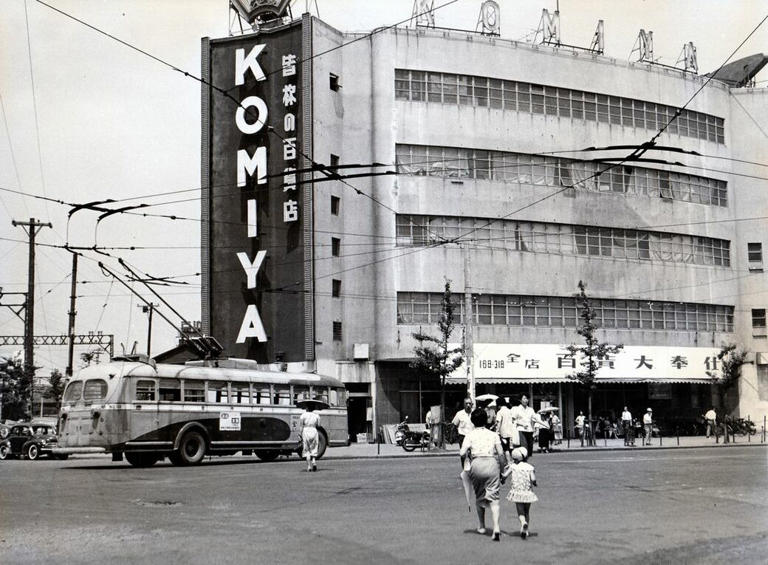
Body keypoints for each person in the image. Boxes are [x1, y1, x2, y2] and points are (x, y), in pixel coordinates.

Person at [459, 408, 506, 541]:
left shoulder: (470, 435)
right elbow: (501, 454)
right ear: (486, 420)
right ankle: (496, 527)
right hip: (491, 463)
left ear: (473, 421)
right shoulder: (493, 435)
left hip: (477, 463)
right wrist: (502, 471)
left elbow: (462, 453)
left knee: (479, 495)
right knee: (494, 498)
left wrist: (465, 465)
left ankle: (481, 525)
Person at [503, 447, 538, 540]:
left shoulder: (513, 467)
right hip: (527, 492)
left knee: (520, 512)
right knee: (527, 511)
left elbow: (505, 476)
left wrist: (502, 478)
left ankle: (523, 524)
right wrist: (534, 483)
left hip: (517, 492)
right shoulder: (530, 467)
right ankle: (525, 531)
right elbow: (533, 479)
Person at [452, 398, 475, 468]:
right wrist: (453, 436)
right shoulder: (459, 414)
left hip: (473, 436)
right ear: (464, 405)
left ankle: (472, 469)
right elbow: (454, 425)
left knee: (473, 453)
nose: (468, 405)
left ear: (472, 404)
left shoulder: (474, 413)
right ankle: (464, 469)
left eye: (469, 403)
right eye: (466, 403)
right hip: (463, 436)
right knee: (463, 454)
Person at [298, 402, 321, 472]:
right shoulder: (317, 416)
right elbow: (319, 425)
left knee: (306, 448)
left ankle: (308, 466)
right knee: (314, 447)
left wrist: (299, 434)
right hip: (314, 431)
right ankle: (314, 461)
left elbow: (301, 426)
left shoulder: (303, 415)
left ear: (307, 408)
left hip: (306, 431)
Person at [495, 397, 515, 463]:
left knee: (505, 449)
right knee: (510, 448)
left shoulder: (500, 412)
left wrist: (497, 431)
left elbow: (498, 423)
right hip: (511, 432)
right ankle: (511, 461)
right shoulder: (510, 411)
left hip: (503, 433)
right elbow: (513, 421)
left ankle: (508, 462)